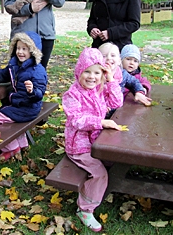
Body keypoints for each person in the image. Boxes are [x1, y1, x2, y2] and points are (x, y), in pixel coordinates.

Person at [62, 47, 123, 232]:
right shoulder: (72, 94)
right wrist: (101, 122)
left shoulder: (100, 89)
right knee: (99, 173)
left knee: (116, 159)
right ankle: (85, 209)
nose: (91, 77)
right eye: (87, 71)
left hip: (97, 140)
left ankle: (107, 187)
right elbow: (76, 120)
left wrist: (111, 81)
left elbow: (117, 103)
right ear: (79, 72)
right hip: (79, 145)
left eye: (97, 72)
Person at [0, 31, 48, 161]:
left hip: (28, 107)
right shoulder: (15, 65)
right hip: (19, 105)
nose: (20, 52)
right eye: (18, 48)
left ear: (33, 51)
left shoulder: (37, 70)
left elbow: (39, 94)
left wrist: (32, 91)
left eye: (24, 49)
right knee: (9, 118)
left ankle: (11, 148)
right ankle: (22, 145)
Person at [98, 43, 151, 118]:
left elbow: (134, 82)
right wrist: (100, 105)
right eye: (104, 56)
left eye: (113, 55)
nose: (109, 58)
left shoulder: (122, 74)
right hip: (98, 113)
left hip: (117, 111)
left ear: (119, 61)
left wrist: (139, 92)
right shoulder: (95, 75)